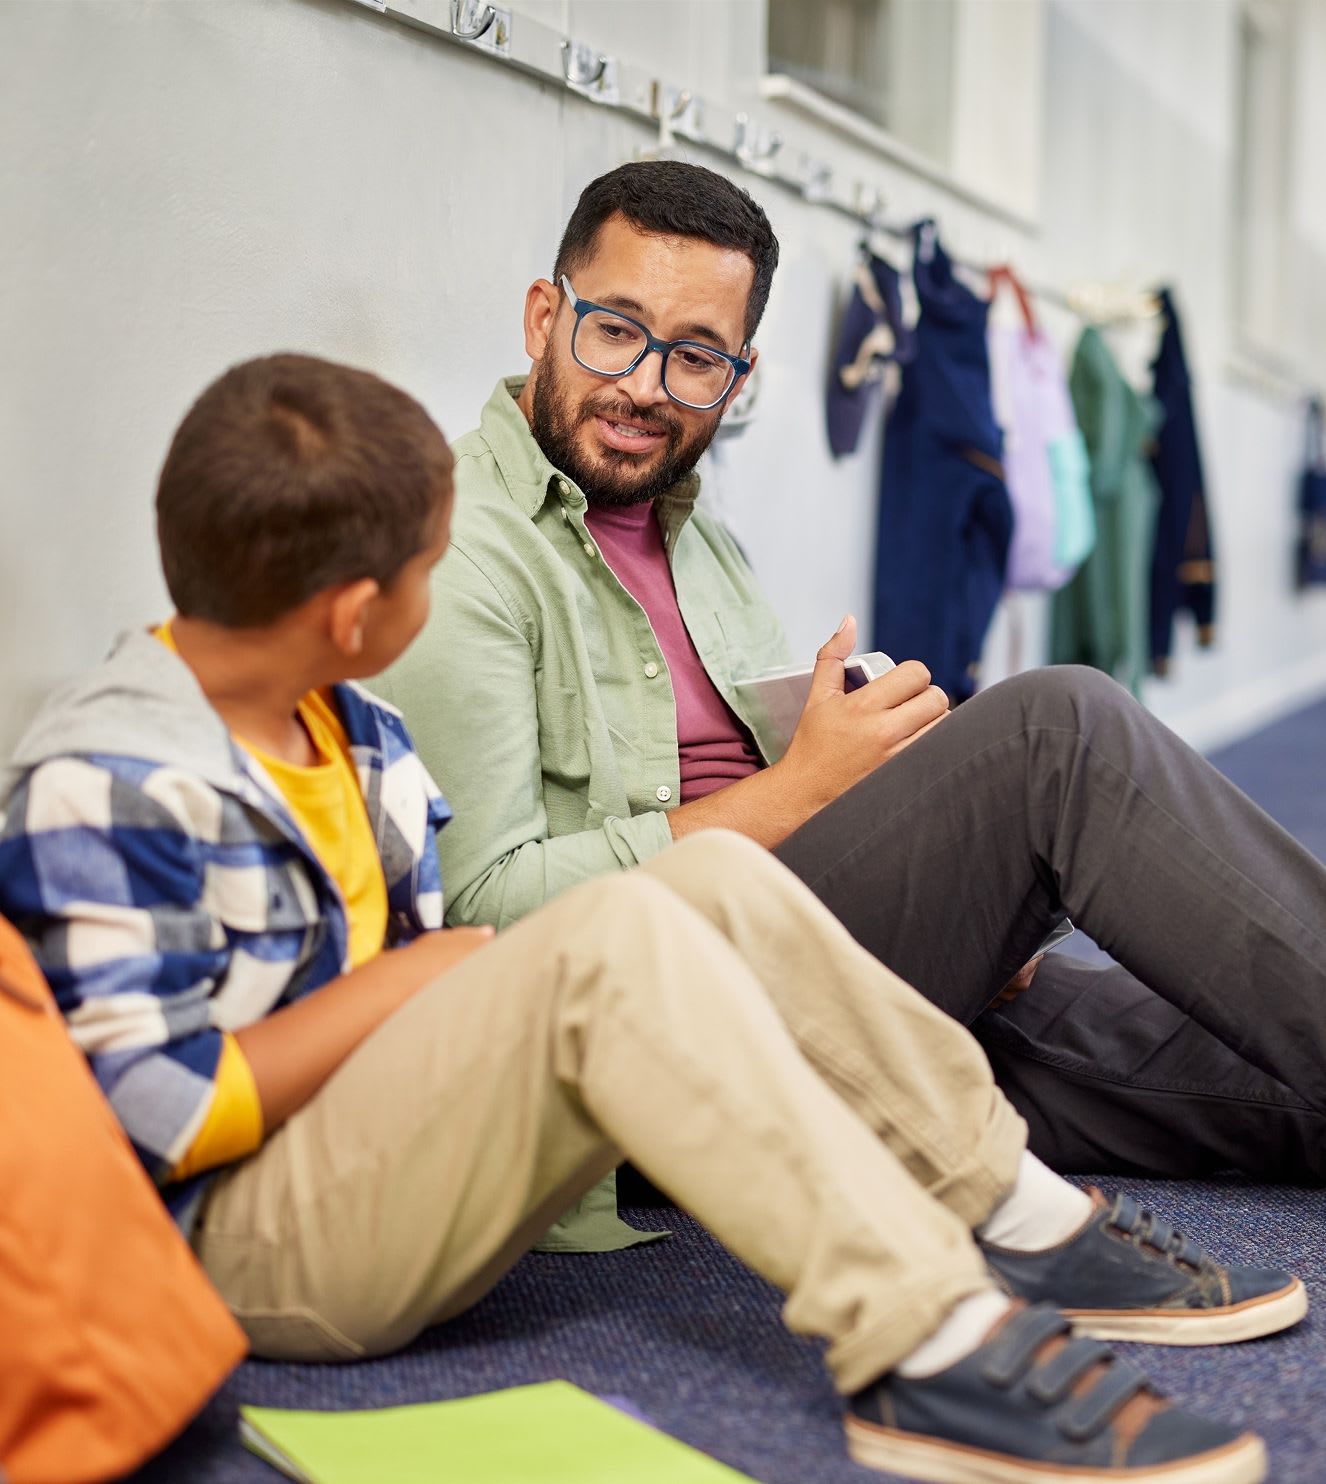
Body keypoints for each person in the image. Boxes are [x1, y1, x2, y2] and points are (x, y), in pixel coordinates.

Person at [0, 353, 1297, 1484]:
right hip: (246, 1254)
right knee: (614, 936)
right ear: (355, 614)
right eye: (428, 573)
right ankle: (926, 1341)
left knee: (716, 885)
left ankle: (1010, 1217)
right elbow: (148, 1116)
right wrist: (407, 989)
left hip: (369, 1148)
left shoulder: (356, 733)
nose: (434, 594)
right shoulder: (106, 784)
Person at [373, 159, 1326, 1197]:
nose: (645, 385)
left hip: (805, 973)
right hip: (647, 1037)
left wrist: (961, 869)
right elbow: (477, 919)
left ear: (737, 376)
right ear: (543, 316)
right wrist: (801, 788)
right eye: (615, 329)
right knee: (1060, 729)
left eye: (695, 357)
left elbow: (776, 792)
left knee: (1261, 1064)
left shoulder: (694, 535)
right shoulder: (456, 546)